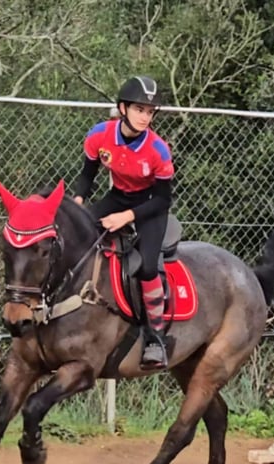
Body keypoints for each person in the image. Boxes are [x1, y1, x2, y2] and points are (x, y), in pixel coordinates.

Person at [73, 76, 174, 369]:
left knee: (146, 265)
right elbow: (88, 174)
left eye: (150, 112)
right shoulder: (99, 135)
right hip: (118, 196)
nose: (146, 117)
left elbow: (163, 199)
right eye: (140, 109)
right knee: (79, 235)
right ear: (123, 108)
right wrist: (79, 201)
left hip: (150, 206)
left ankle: (155, 338)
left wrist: (127, 217)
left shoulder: (158, 150)